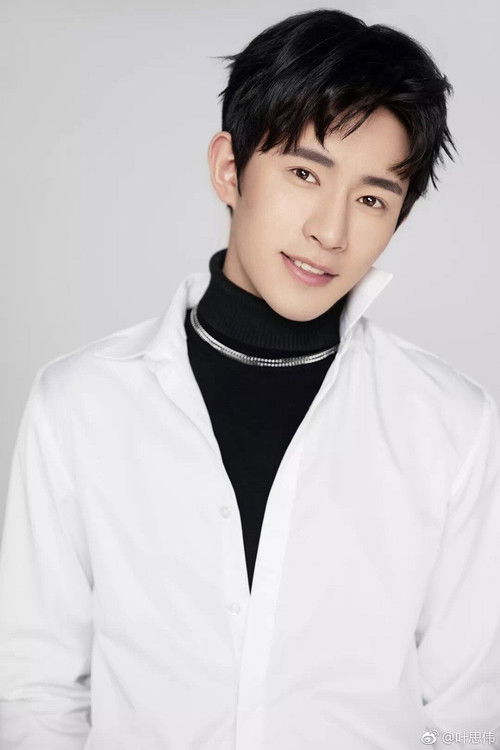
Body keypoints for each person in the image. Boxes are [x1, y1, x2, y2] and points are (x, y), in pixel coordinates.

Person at [1, 8, 499, 749]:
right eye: (304, 174)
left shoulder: (451, 424)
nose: (330, 231)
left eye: (371, 199)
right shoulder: (80, 404)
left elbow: (468, 717)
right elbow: (36, 693)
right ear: (229, 169)